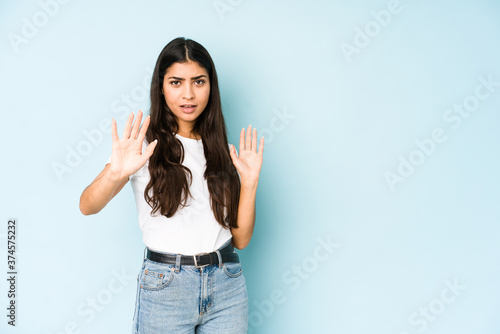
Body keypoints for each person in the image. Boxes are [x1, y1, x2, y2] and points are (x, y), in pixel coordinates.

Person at [79, 37, 264, 333]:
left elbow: (241, 240)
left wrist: (251, 182)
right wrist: (116, 173)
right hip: (166, 286)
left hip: (226, 282)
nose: (188, 94)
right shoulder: (143, 146)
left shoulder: (221, 151)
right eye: (176, 82)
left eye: (199, 82)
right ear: (161, 86)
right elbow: (87, 205)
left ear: (211, 87)